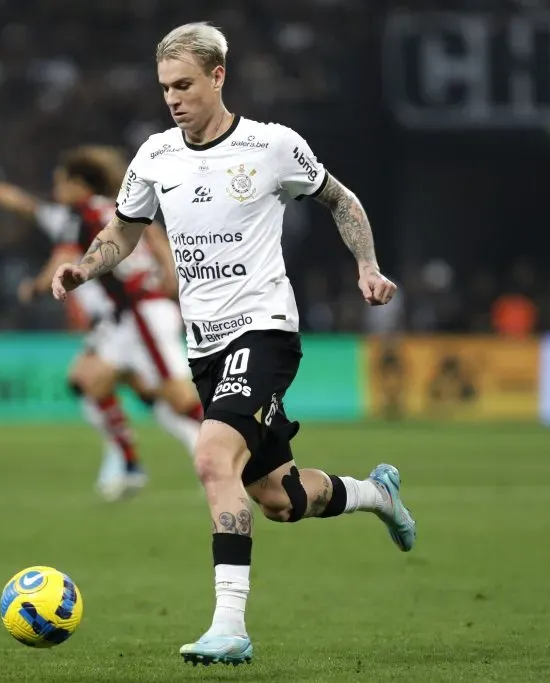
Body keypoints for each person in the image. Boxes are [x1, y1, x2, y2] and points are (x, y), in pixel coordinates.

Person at [50, 22, 416, 666]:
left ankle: (229, 626)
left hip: (264, 329)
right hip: (205, 346)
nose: (174, 98)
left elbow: (340, 199)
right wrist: (86, 266)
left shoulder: (270, 146)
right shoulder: (156, 156)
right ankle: (376, 495)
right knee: (279, 498)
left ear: (218, 77)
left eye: (185, 84)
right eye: (165, 87)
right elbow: (125, 229)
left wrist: (368, 266)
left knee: (210, 456)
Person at [0, 144, 204, 500]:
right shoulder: (117, 207)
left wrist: (37, 286)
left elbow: (59, 252)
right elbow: (153, 233)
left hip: (141, 313)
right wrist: (169, 272)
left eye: (61, 182)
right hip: (127, 317)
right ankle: (130, 463)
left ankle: (240, 450)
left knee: (179, 397)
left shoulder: (78, 216)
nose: (55, 190)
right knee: (89, 378)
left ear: (80, 184)